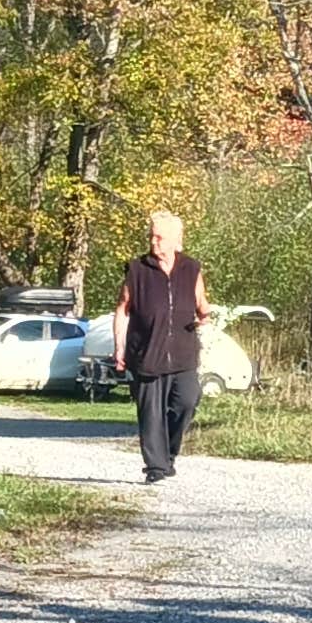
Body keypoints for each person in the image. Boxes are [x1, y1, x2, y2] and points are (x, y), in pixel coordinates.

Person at [117, 206, 209, 484]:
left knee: (187, 401)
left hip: (183, 351)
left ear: (175, 241)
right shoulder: (137, 270)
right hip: (146, 352)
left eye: (159, 237)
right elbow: (123, 309)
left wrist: (205, 317)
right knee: (151, 413)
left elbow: (201, 303)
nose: (153, 241)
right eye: (151, 236)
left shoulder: (191, 268)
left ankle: (168, 453)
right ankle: (155, 467)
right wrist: (119, 348)